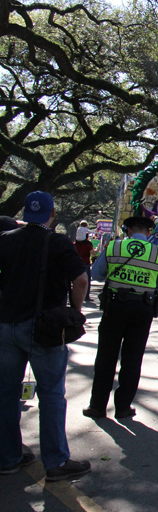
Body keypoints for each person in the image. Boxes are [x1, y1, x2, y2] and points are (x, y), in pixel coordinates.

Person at [0, 192, 91, 481]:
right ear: (52, 214)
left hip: (7, 326)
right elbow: (80, 280)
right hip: (44, 330)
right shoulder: (58, 242)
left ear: (25, 213)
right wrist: (75, 311)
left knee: (6, 394)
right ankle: (55, 462)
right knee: (51, 395)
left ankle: (8, 456)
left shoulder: (5, 239)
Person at [85, 215, 158, 421]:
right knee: (133, 358)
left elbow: (96, 274)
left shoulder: (114, 247)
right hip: (143, 309)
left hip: (115, 306)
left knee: (106, 356)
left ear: (128, 230)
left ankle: (97, 407)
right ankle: (123, 407)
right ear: (148, 233)